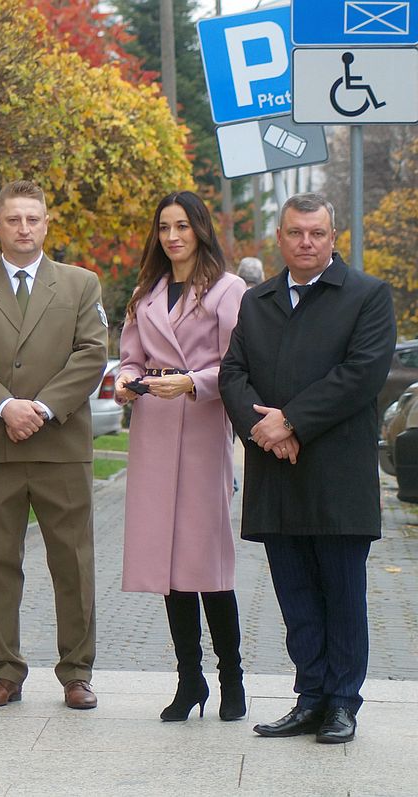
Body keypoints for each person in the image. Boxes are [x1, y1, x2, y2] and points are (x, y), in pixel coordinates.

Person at [220, 192, 395, 744]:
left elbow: (361, 375)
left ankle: (343, 701)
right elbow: (233, 375)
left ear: (333, 236)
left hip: (336, 477)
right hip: (277, 476)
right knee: (295, 596)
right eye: (296, 233)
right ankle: (310, 696)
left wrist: (290, 422)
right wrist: (265, 431)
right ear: (279, 237)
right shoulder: (257, 300)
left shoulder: (367, 295)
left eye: (316, 233)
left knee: (342, 595)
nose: (306, 243)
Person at [0, 179, 107, 710]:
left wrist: (38, 408)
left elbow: (90, 354)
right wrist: (3, 407)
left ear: (46, 224)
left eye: (32, 219)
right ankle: (4, 670)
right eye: (13, 219)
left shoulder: (81, 285)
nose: (23, 228)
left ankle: (77, 672)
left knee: (73, 562)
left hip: (60, 443)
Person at [115, 191, 247, 722]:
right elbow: (130, 357)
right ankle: (189, 680)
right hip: (153, 428)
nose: (173, 236)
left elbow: (237, 363)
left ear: (200, 231)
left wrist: (192, 382)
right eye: (165, 227)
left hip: (200, 426)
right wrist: (126, 380)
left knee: (205, 560)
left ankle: (231, 679)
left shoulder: (227, 289)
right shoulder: (145, 291)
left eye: (183, 227)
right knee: (168, 565)